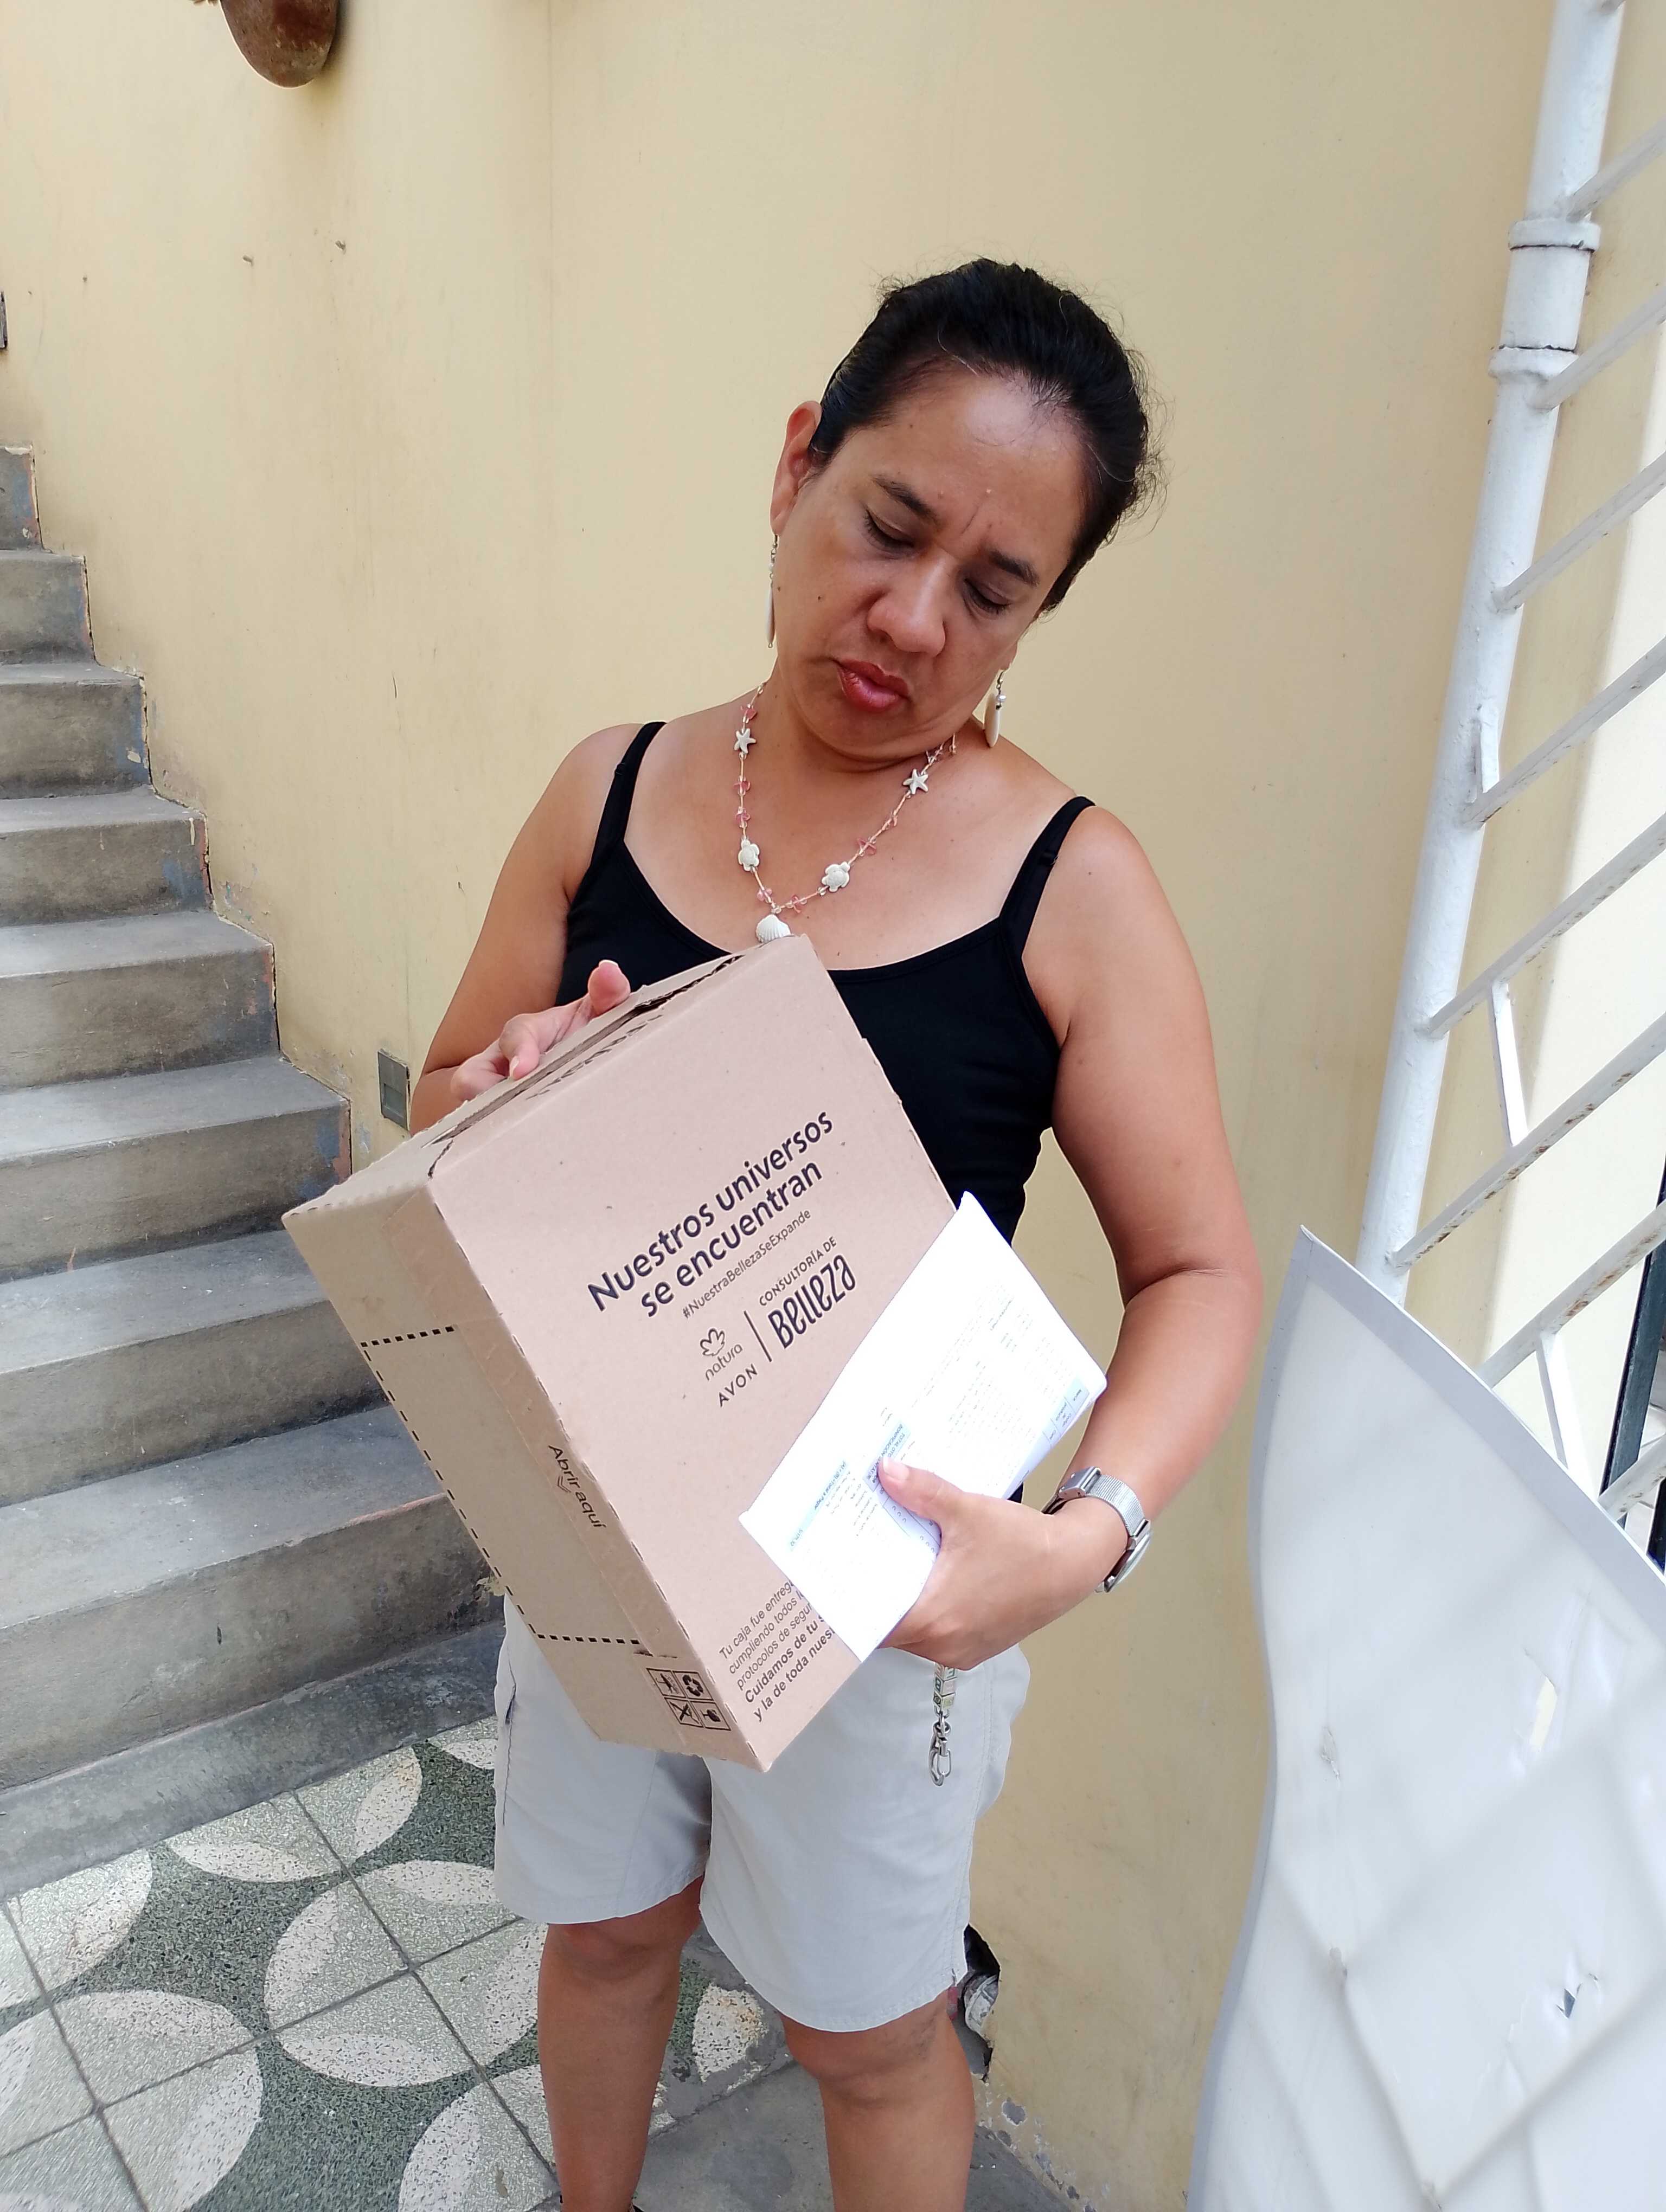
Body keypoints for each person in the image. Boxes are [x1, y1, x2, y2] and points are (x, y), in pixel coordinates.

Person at [410, 259, 1262, 2212]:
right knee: (606, 1934)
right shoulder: (611, 787)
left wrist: (1082, 1539)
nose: (915, 620)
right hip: (601, 1525)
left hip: (881, 1585)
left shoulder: (1073, 886)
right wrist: (507, 1085)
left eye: (995, 588)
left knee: (872, 2038)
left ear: (1039, 614)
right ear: (800, 464)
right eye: (890, 526)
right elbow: (444, 1093)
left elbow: (1200, 1274)